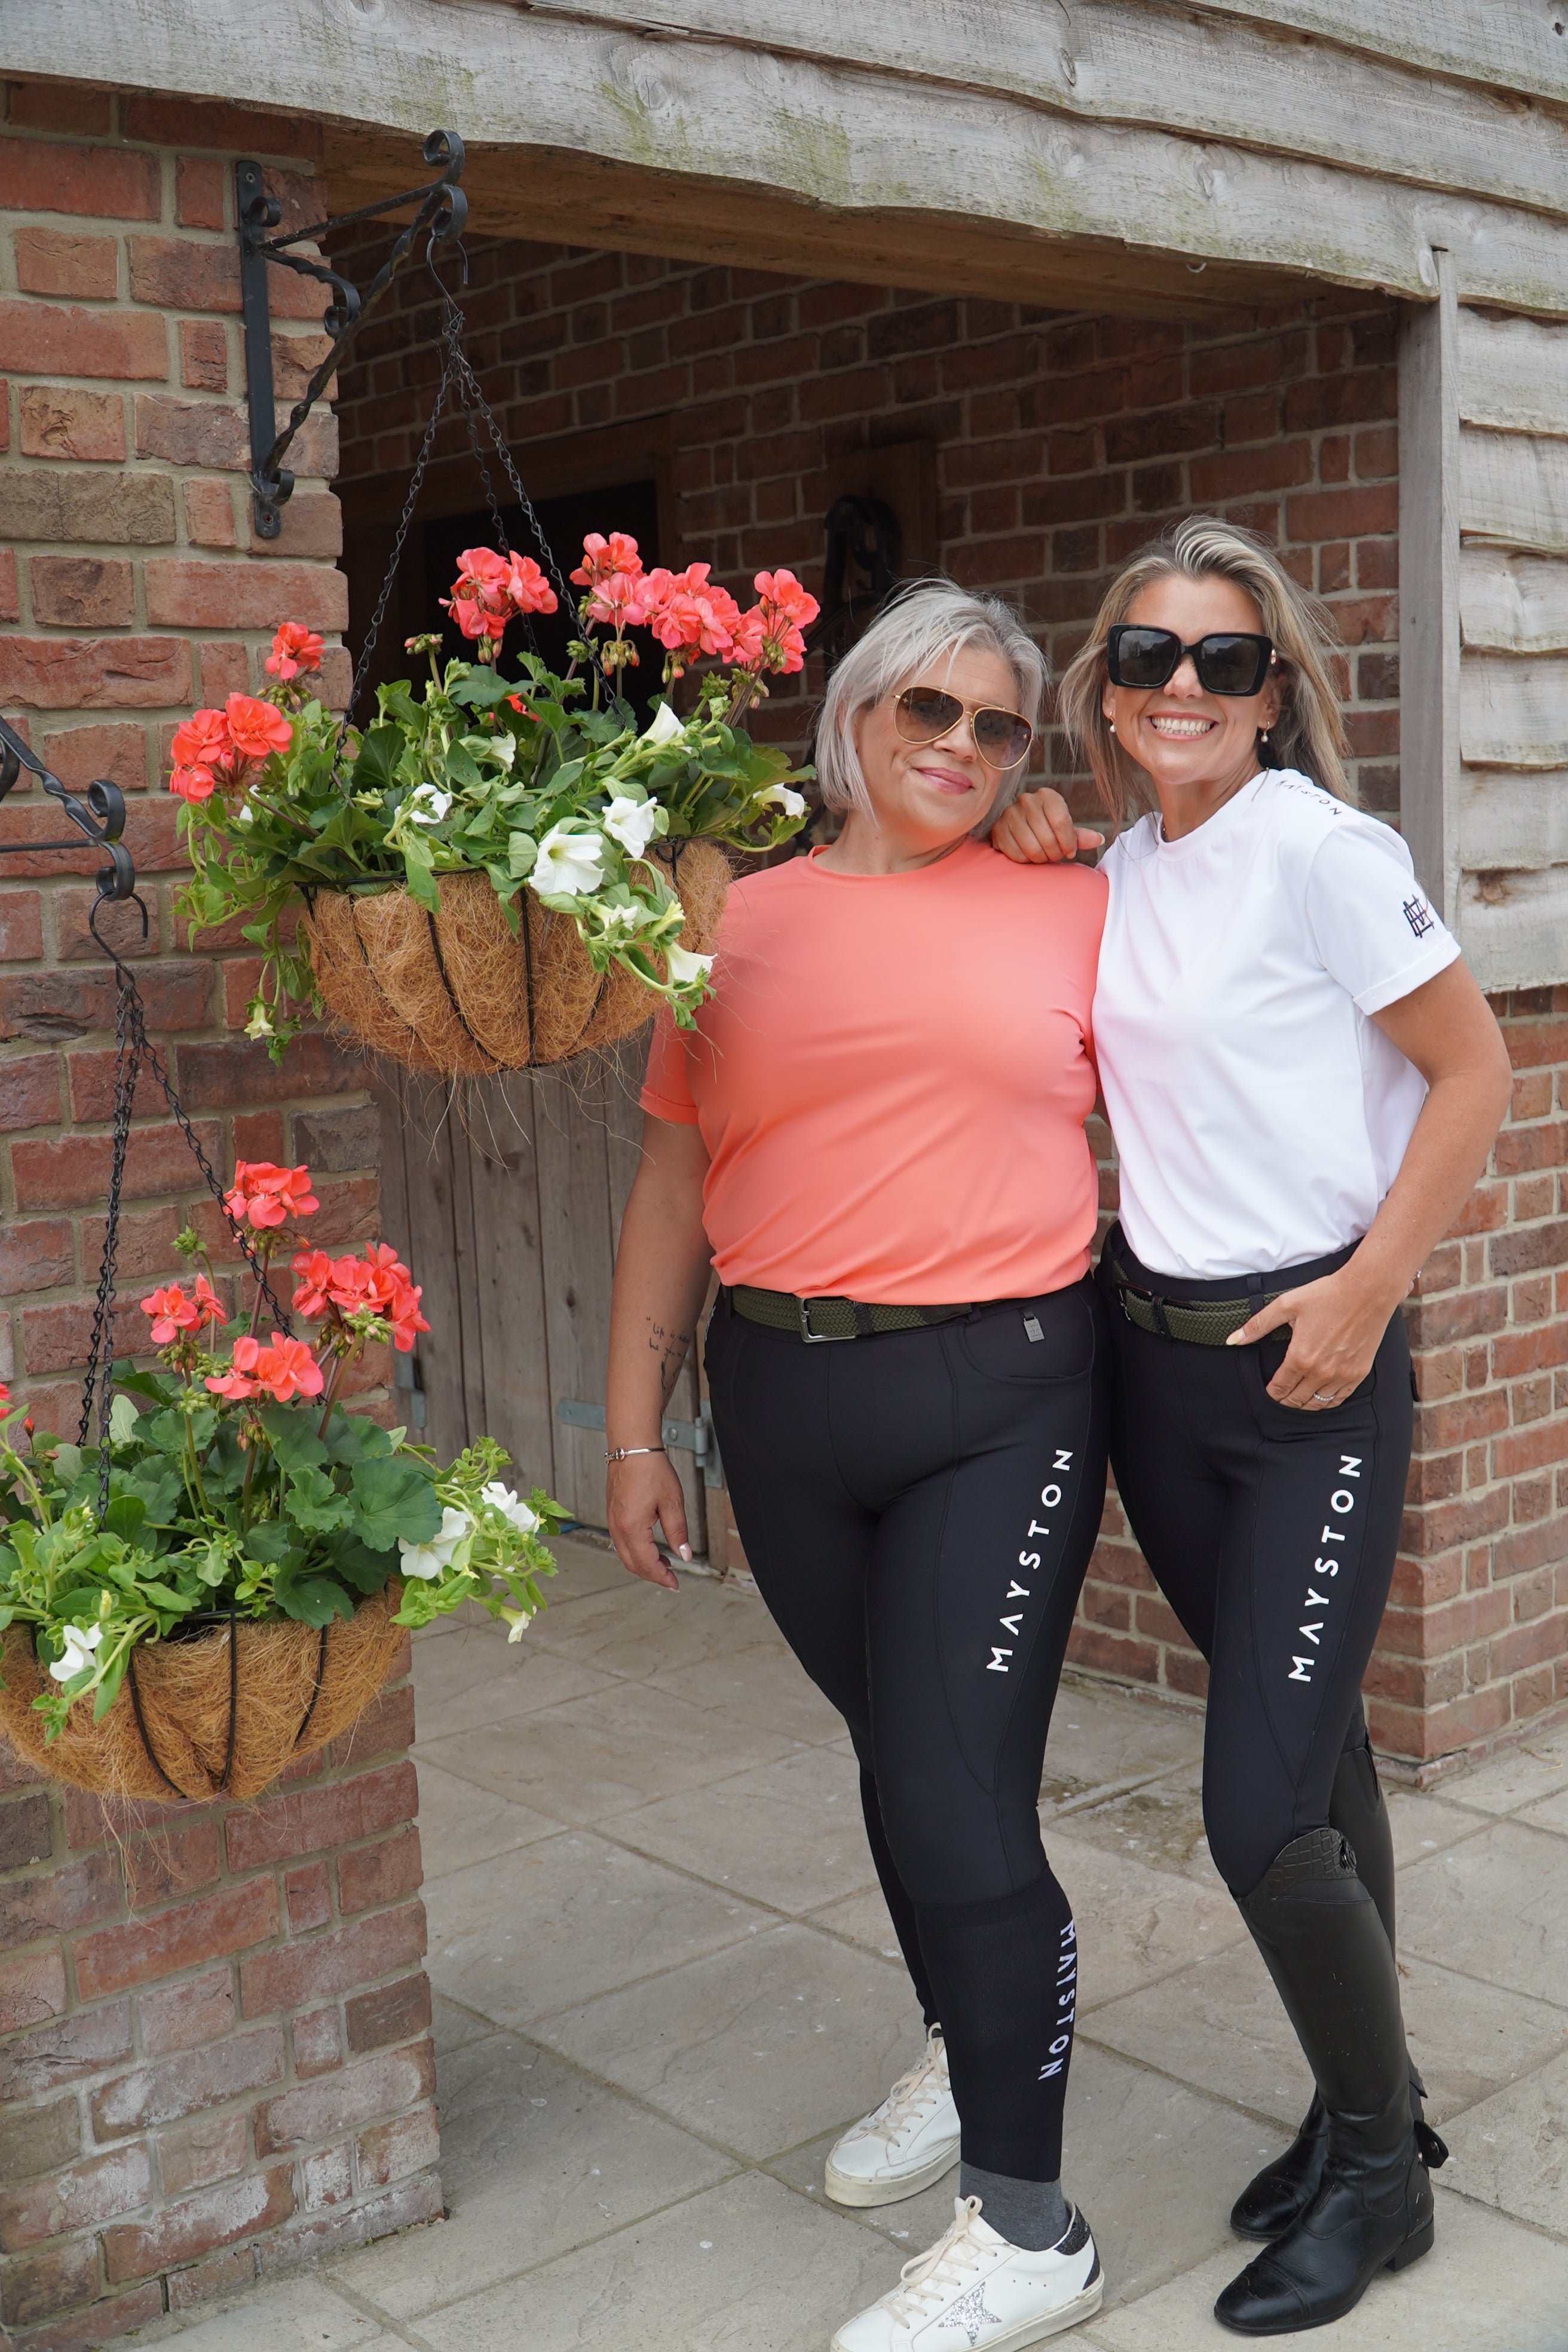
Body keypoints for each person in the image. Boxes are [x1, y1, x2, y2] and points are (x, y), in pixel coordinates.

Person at [991, 515, 1512, 2335]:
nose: (1186, 687)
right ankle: (1370, 2111)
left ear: (1274, 690)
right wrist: (1029, 839)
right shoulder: (1113, 866)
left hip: (1311, 1373)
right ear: (1108, 692)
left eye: (1225, 659)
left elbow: (1478, 1071)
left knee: (1259, 1805)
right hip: (1161, 1365)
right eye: (1150, 657)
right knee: (1320, 1763)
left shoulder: (1325, 851)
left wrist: (1370, 1294)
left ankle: (1380, 2178)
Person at [606, 582, 1110, 2350]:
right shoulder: (735, 920)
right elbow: (674, 1183)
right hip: (782, 1398)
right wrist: (630, 1426)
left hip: (1005, 1390)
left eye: (998, 727)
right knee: (902, 1763)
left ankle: (1032, 2226)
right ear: (854, 719)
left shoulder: (1072, 898)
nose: (964, 750)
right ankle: (968, 2048)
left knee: (958, 1794)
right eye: (931, 714)